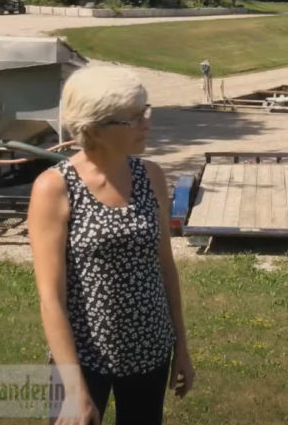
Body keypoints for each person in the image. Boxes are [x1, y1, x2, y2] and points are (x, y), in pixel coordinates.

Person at [27, 66, 195, 425]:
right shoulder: (54, 188)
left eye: (145, 110)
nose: (147, 122)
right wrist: (74, 389)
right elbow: (50, 299)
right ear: (94, 129)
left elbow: (165, 266)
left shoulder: (151, 175)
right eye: (134, 118)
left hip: (150, 350)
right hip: (82, 358)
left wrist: (180, 344)